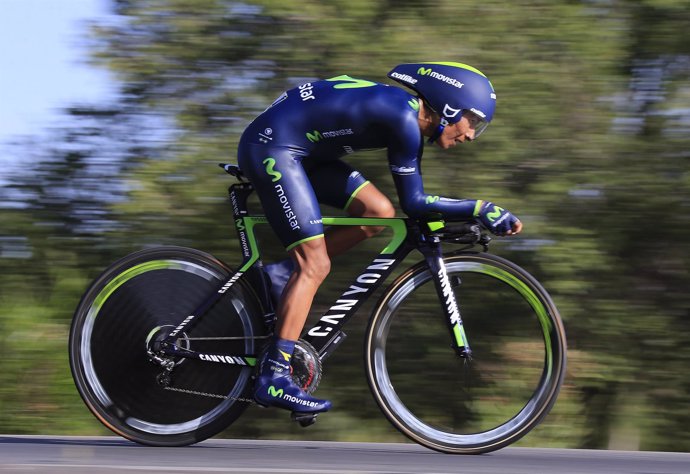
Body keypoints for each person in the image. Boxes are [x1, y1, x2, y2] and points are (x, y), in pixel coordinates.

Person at [237, 62, 522, 415]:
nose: (469, 135)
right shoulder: (403, 121)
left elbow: (408, 204)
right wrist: (479, 207)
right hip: (274, 148)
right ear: (450, 107)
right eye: (472, 122)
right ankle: (273, 376)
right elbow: (415, 203)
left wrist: (467, 212)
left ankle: (280, 278)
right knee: (315, 264)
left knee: (378, 212)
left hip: (305, 152)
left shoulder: (406, 116)